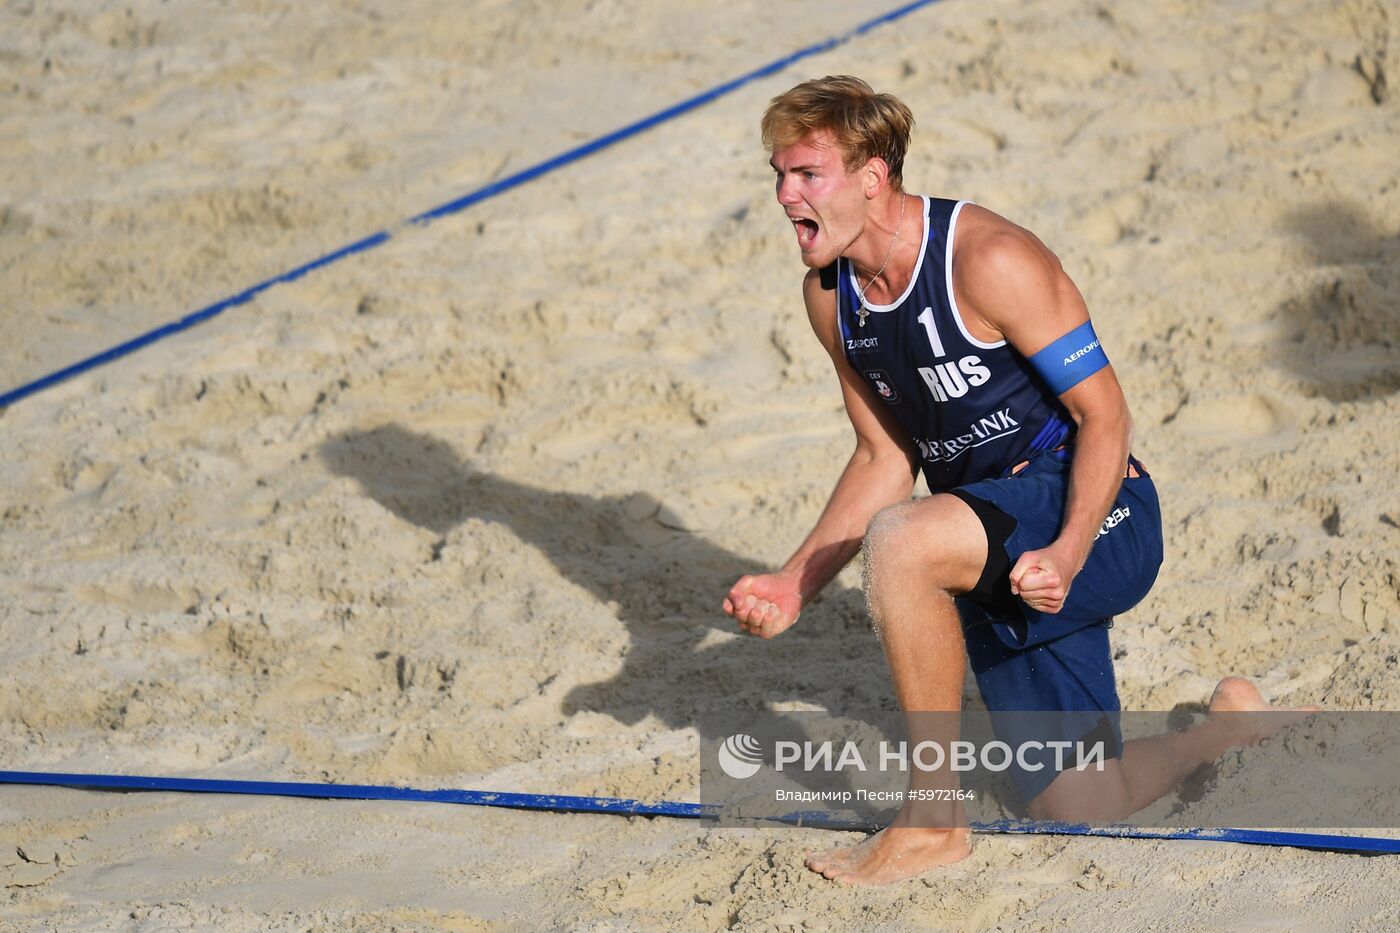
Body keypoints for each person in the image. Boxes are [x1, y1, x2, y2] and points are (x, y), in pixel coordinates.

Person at [722, 75, 1311, 886]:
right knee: (1074, 802)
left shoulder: (989, 258)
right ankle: (1226, 731)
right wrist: (795, 581)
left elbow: (1106, 415)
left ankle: (933, 820)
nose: (785, 195)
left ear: (872, 175)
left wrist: (1067, 549)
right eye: (778, 175)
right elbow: (883, 457)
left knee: (903, 542)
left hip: (1095, 512)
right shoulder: (831, 299)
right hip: (992, 543)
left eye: (806, 175)